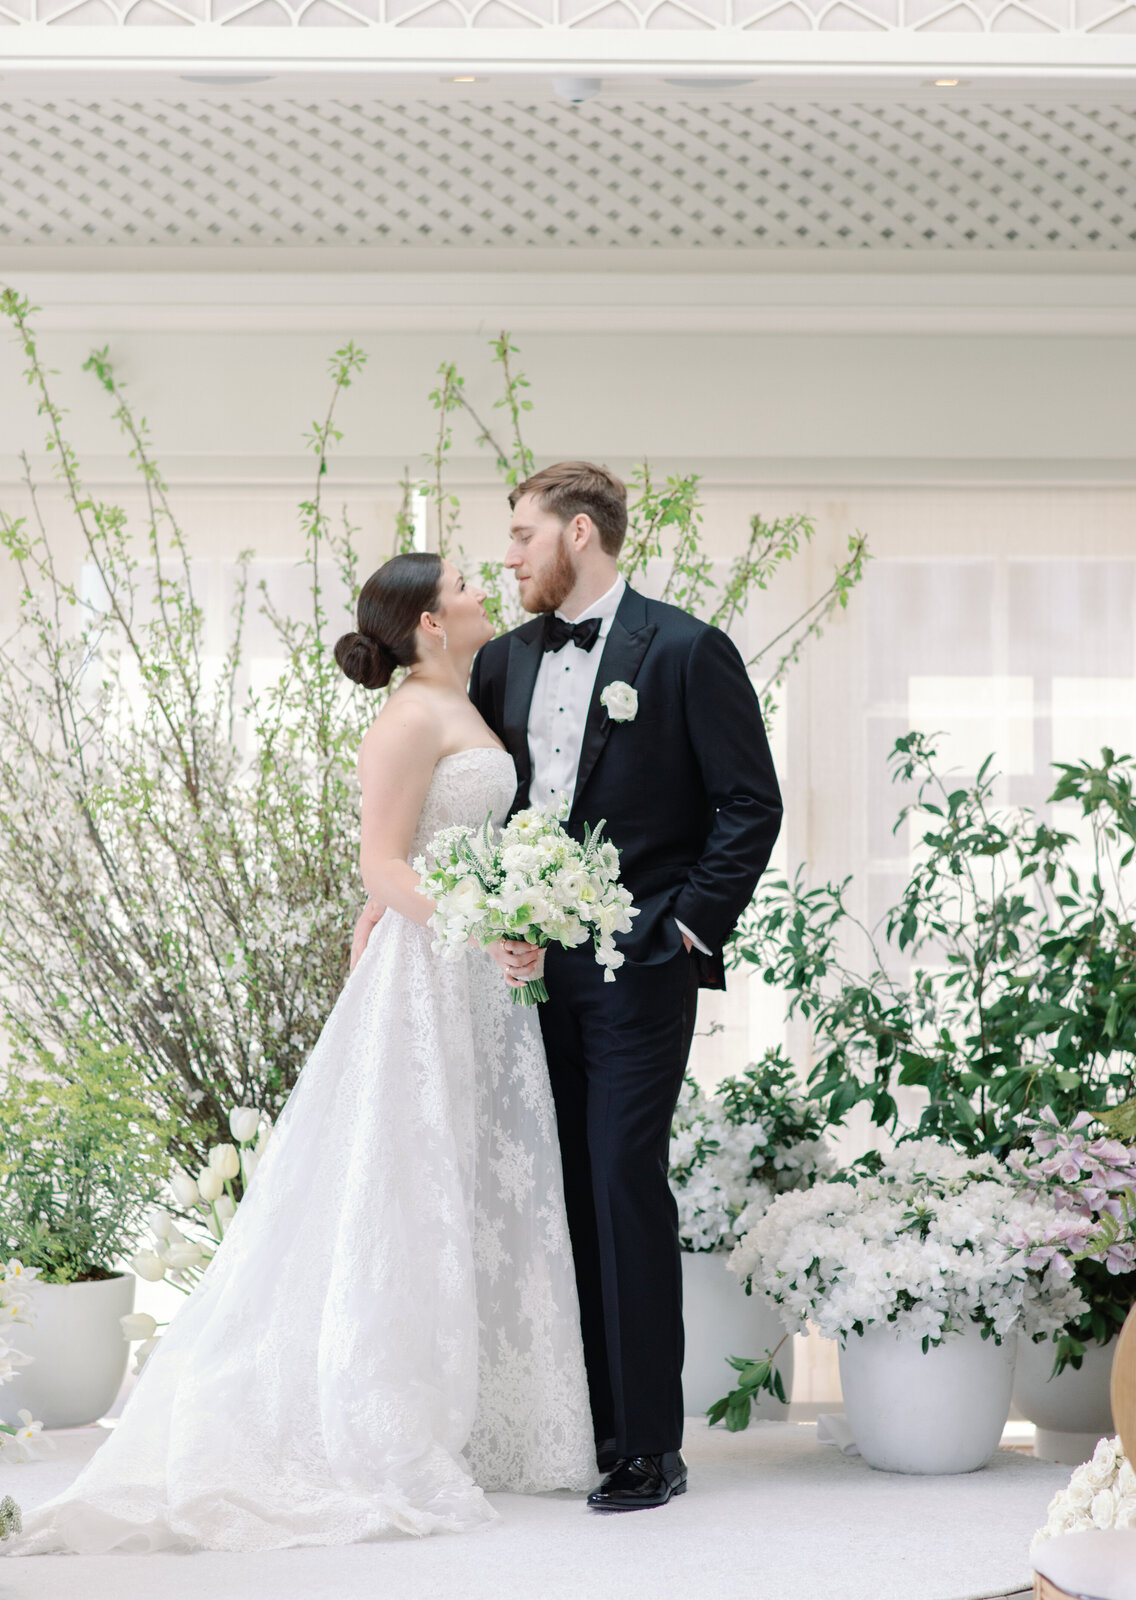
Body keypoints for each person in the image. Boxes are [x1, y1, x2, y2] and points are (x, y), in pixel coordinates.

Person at [4, 551, 596, 1558]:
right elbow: (380, 858)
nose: (480, 587)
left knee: (474, 1176)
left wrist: (511, 914)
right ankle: (378, 1411)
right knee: (405, 1183)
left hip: (474, 974)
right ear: (428, 624)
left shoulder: (471, 694)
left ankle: (491, 1407)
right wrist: (480, 918)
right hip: (428, 969)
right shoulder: (408, 716)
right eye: (461, 583)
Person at [359, 463, 782, 1512]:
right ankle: (574, 1420)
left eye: (519, 536)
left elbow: (748, 807)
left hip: (638, 971)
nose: (506, 558)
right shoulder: (496, 662)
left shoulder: (687, 650)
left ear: (578, 534)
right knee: (547, 1191)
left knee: (620, 1178)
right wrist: (401, 892)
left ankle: (648, 1445)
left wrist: (681, 928)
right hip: (516, 983)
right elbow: (461, 811)